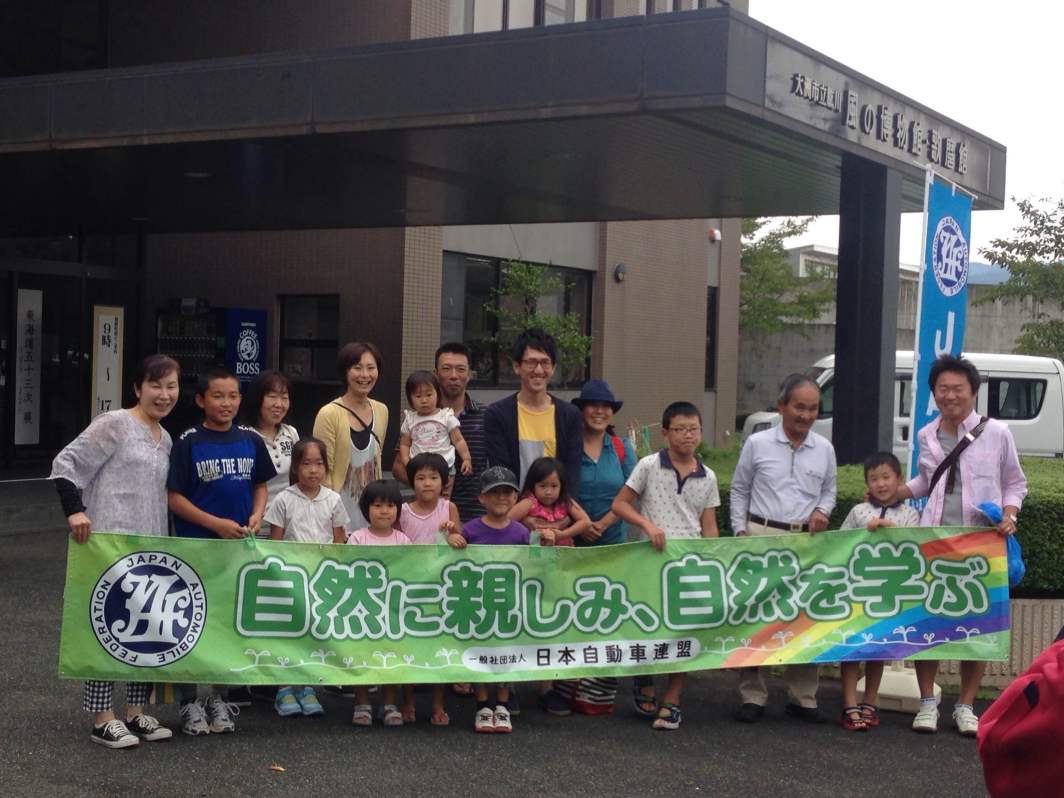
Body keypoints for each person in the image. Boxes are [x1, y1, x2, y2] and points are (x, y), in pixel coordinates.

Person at [50, 354, 181, 749]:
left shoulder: (166, 438)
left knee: (147, 627)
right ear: (137, 388)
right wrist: (74, 510)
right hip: (108, 544)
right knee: (106, 626)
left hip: (150, 547)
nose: (164, 394)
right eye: (155, 385)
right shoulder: (116, 424)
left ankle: (136, 711)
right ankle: (102, 717)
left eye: (171, 386)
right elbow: (67, 462)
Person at [893, 354, 1027, 737]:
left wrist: (1010, 514)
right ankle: (927, 703)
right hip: (934, 540)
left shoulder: (997, 432)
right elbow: (927, 481)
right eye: (942, 389)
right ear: (934, 393)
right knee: (927, 623)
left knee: (977, 629)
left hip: (981, 543)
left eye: (957, 389)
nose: (950, 396)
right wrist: (897, 492)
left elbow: (1015, 482)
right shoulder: (926, 434)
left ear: (973, 391)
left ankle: (966, 707)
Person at [167, 366, 276, 736]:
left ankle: (219, 697)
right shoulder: (188, 442)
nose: (226, 403)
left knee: (228, 624)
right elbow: (174, 497)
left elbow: (260, 485)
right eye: (217, 396)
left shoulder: (250, 440)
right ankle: (189, 702)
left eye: (232, 396)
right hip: (197, 550)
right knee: (189, 624)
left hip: (238, 551)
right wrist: (214, 524)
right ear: (201, 400)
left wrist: (258, 514)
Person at [729, 373, 837, 725]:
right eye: (799, 407)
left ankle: (803, 696)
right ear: (782, 406)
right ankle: (752, 695)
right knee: (755, 617)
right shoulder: (757, 443)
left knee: (804, 618)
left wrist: (823, 511)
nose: (806, 415)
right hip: (761, 536)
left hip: (805, 543)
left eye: (813, 409)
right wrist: (740, 530)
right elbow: (740, 489)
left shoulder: (824, 448)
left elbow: (829, 491)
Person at [611, 401, 721, 731]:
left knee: (684, 629)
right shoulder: (648, 465)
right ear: (665, 433)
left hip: (687, 565)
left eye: (694, 429)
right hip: (650, 560)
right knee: (647, 622)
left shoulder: (708, 476)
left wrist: (713, 558)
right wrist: (647, 525)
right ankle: (644, 677)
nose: (688, 436)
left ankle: (673, 697)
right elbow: (620, 505)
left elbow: (709, 525)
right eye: (680, 429)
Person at [447, 466, 542, 733]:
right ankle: (482, 705)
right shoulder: (472, 529)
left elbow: (535, 562)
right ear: (482, 498)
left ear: (515, 498)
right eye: (494, 493)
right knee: (480, 652)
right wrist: (451, 538)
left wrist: (545, 540)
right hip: (479, 603)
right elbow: (449, 558)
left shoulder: (521, 532)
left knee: (506, 653)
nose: (501, 497)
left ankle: (502, 705)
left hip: (509, 604)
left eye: (507, 493)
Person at [835, 452, 920, 732]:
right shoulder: (858, 512)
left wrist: (889, 529)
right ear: (866, 483)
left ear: (899, 479)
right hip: (857, 590)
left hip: (888, 594)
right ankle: (849, 704)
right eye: (873, 479)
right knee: (852, 647)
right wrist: (865, 532)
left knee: (878, 648)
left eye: (886, 477)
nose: (881, 484)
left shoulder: (910, 514)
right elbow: (839, 544)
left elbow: (916, 546)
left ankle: (869, 702)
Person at [567, 379, 637, 715]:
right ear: (581, 410)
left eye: (605, 406)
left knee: (606, 611)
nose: (599, 411)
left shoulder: (622, 448)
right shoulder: (567, 446)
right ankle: (567, 682)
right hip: (572, 539)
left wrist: (605, 523)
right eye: (593, 405)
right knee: (571, 609)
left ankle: (597, 689)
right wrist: (583, 522)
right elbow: (555, 488)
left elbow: (633, 490)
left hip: (612, 542)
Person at [265, 437, 347, 718]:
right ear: (295, 467)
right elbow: (274, 543)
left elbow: (340, 541)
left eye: (319, 463)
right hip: (291, 579)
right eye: (306, 463)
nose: (313, 470)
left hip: (322, 580)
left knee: (314, 633)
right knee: (289, 633)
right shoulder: (284, 499)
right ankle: (284, 688)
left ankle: (308, 687)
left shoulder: (333, 499)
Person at [397, 451, 460, 726]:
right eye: (420, 478)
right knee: (407, 645)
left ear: (443, 481)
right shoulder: (403, 510)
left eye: (433, 477)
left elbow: (461, 540)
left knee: (439, 646)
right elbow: (393, 543)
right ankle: (407, 701)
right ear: (411, 481)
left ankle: (438, 704)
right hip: (409, 587)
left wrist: (453, 535)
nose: (427, 483)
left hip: (440, 588)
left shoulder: (449, 508)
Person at [393, 342, 487, 525]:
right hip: (428, 519)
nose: (454, 375)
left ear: (469, 374)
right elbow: (397, 468)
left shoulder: (486, 415)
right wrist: (430, 484)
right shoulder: (418, 418)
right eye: (446, 369)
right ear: (436, 374)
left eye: (461, 369)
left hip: (475, 517)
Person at [483, 328, 583, 492]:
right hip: (514, 506)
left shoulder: (570, 415)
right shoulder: (497, 414)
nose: (538, 370)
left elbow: (572, 476)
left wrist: (563, 508)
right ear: (517, 366)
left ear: (553, 368)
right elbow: (501, 473)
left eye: (545, 363)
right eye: (531, 362)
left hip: (559, 507)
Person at [346, 480, 411, 726]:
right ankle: (361, 702)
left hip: (393, 610)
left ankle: (389, 703)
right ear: (366, 509)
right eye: (377, 505)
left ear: (398, 509)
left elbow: (412, 571)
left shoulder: (403, 541)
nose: (384, 511)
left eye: (390, 505)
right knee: (361, 655)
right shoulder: (358, 538)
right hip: (362, 609)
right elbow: (348, 570)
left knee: (390, 655)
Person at [313, 341, 389, 531]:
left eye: (371, 368)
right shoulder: (329, 413)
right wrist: (332, 518)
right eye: (357, 368)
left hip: (373, 514)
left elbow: (376, 462)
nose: (365, 375)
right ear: (345, 372)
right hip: (337, 515)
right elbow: (323, 470)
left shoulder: (381, 410)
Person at [243, 369, 299, 525]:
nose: (279, 404)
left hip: (288, 523)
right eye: (272, 397)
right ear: (257, 398)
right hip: (254, 524)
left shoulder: (291, 433)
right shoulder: (244, 436)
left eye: (284, 398)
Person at [398, 370, 474, 480]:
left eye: (429, 395)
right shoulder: (410, 419)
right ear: (410, 399)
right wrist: (407, 462)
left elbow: (458, 440)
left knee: (445, 490)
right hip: (419, 468)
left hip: (445, 466)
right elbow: (405, 444)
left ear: (437, 395)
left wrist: (466, 459)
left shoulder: (446, 416)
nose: (424, 400)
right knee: (423, 490)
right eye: (418, 396)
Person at [510, 457, 591, 547]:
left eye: (554, 486)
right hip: (536, 552)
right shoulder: (529, 503)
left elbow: (586, 522)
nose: (548, 492)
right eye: (543, 486)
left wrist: (562, 535)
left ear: (561, 486)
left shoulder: (564, 501)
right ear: (533, 485)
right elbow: (506, 520)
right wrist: (523, 522)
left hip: (564, 553)